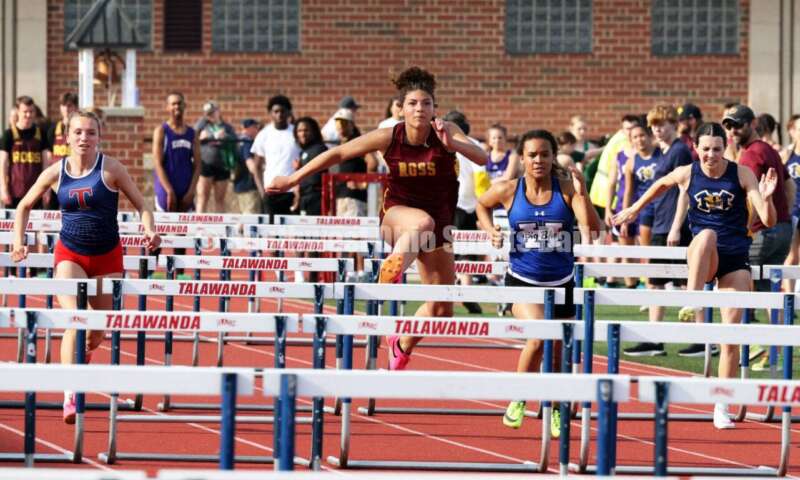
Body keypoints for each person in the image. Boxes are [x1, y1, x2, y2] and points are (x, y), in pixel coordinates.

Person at [267, 66, 487, 370]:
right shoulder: (389, 136)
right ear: (402, 109)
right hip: (397, 216)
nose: (420, 109)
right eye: (412, 103)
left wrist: (454, 146)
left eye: (426, 103)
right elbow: (338, 154)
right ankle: (393, 267)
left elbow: (482, 158)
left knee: (441, 309)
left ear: (435, 107)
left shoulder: (446, 131)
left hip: (441, 225)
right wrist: (292, 179)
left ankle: (402, 342)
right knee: (421, 223)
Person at [614, 122, 777, 429]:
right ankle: (692, 299)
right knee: (706, 236)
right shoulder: (690, 172)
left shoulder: (741, 173)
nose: (711, 155)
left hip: (735, 258)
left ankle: (722, 405)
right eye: (705, 149)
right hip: (704, 254)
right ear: (697, 149)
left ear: (725, 148)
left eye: (717, 149)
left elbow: (768, 220)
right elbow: (660, 184)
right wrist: (634, 209)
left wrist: (766, 197)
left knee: (730, 337)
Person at [10, 110, 161, 424]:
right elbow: (24, 205)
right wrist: (18, 242)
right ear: (67, 136)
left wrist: (150, 230)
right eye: (78, 132)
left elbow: (142, 205)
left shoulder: (112, 169)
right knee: (75, 320)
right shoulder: (56, 171)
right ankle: (70, 394)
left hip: (107, 257)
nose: (84, 138)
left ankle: (86, 353)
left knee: (95, 332)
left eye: (90, 132)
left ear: (99, 137)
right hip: (70, 256)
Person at [476, 129, 601, 434]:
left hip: (562, 282)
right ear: (522, 158)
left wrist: (582, 192)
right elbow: (481, 204)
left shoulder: (567, 189)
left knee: (558, 352)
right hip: (522, 281)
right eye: (532, 155)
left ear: (553, 157)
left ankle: (556, 409)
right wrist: (490, 229)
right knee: (539, 337)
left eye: (545, 154)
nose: (538, 160)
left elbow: (592, 229)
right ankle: (519, 399)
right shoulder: (509, 189)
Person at [623, 105, 694, 357]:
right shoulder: (665, 152)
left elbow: (685, 189)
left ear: (674, 125)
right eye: (654, 126)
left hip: (675, 225)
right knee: (655, 283)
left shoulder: (679, 151)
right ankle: (655, 339)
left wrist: (676, 226)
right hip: (661, 222)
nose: (657, 130)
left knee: (686, 283)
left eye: (662, 125)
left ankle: (699, 340)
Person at [723, 105, 793, 297]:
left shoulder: (752, 154)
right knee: (767, 290)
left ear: (753, 124)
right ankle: (775, 326)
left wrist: (747, 226)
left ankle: (741, 324)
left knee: (739, 280)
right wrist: (783, 213)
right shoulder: (767, 149)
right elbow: (790, 186)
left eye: (738, 125)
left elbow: (749, 196)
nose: (733, 131)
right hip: (782, 229)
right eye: (729, 127)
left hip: (762, 230)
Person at [444, 110, 485, 314]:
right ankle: (465, 289)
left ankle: (463, 287)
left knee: (454, 248)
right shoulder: (474, 144)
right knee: (466, 249)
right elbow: (481, 176)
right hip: (468, 203)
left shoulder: (446, 143)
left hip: (455, 202)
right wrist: (484, 202)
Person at [603, 115, 643, 288]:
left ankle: (647, 281)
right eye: (627, 128)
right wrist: (607, 209)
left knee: (643, 247)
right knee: (625, 248)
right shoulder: (619, 156)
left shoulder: (649, 153)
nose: (630, 132)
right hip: (622, 206)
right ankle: (631, 286)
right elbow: (612, 183)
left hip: (643, 205)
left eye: (633, 128)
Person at [252, 95, 301, 219]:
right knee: (270, 232)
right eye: (276, 111)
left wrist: (298, 189)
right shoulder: (264, 135)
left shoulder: (296, 133)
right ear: (270, 113)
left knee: (292, 233)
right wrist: (262, 191)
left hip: (292, 191)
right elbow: (256, 167)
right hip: (270, 191)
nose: (279, 114)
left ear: (289, 112)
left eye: (283, 111)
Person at [152, 92, 201, 212]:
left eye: (179, 103)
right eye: (173, 104)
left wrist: (191, 191)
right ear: (167, 107)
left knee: (185, 228)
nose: (177, 107)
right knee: (165, 226)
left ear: (185, 105)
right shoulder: (161, 131)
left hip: (185, 188)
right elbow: (157, 163)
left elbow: (198, 164)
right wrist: (169, 190)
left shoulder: (192, 133)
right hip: (166, 187)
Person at [0, 96, 50, 209]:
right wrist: (3, 189)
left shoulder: (41, 133)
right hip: (14, 192)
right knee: (13, 226)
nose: (28, 115)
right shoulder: (8, 134)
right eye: (25, 112)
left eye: (31, 111)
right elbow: (2, 164)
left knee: (36, 225)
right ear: (18, 112)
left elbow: (46, 164)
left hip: (36, 191)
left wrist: (46, 189)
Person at [623, 123, 660, 248]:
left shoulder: (662, 154)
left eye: (642, 135)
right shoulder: (631, 162)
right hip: (645, 207)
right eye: (635, 137)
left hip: (663, 205)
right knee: (647, 247)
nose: (639, 139)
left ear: (649, 136)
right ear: (631, 140)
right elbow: (628, 191)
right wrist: (625, 216)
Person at [195, 101, 236, 213]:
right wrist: (200, 137)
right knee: (202, 197)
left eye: (213, 112)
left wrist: (225, 136)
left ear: (218, 112)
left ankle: (220, 228)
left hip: (222, 165)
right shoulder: (202, 125)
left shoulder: (226, 127)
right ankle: (199, 227)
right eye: (208, 113)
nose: (211, 115)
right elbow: (193, 137)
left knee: (220, 199)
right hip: (206, 165)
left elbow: (235, 141)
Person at [45, 92, 79, 209]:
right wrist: (47, 185)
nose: (66, 109)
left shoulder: (79, 129)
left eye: (69, 105)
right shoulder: (53, 129)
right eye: (63, 105)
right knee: (50, 212)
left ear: (75, 107)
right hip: (56, 177)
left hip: (75, 177)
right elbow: (48, 158)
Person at [293, 117, 327, 216]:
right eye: (299, 131)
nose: (303, 134)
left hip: (316, 197)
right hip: (304, 197)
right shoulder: (302, 152)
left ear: (314, 131)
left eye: (306, 130)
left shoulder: (320, 149)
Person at [233, 118, 261, 214]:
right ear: (248, 128)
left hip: (240, 185)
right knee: (251, 217)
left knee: (244, 217)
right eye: (255, 127)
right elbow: (251, 166)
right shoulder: (248, 143)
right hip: (249, 187)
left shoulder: (239, 141)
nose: (258, 130)